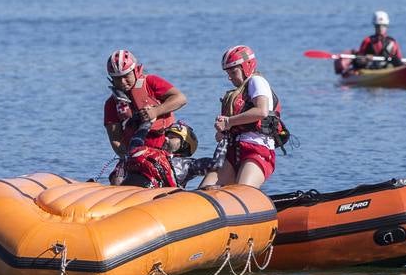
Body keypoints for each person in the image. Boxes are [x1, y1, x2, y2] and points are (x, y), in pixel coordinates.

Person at [200, 45, 285, 189]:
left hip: (257, 149)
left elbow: (261, 111)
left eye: (233, 72)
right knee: (204, 190)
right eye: (228, 73)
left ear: (247, 66)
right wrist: (222, 132)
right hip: (233, 150)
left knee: (241, 190)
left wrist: (228, 121)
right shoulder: (240, 91)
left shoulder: (257, 81)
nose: (230, 77)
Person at [103, 49, 187, 188]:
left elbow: (181, 98)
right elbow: (115, 139)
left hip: (162, 149)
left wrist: (156, 111)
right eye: (118, 78)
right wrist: (131, 156)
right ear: (111, 79)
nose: (123, 82)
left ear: (136, 71)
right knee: (117, 181)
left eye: (126, 76)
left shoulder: (151, 83)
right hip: (134, 155)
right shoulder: (111, 104)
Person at [164, 121, 215, 188]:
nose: (166, 138)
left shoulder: (185, 164)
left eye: (172, 137)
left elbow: (214, 164)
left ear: (185, 145)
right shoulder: (154, 154)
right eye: (167, 136)